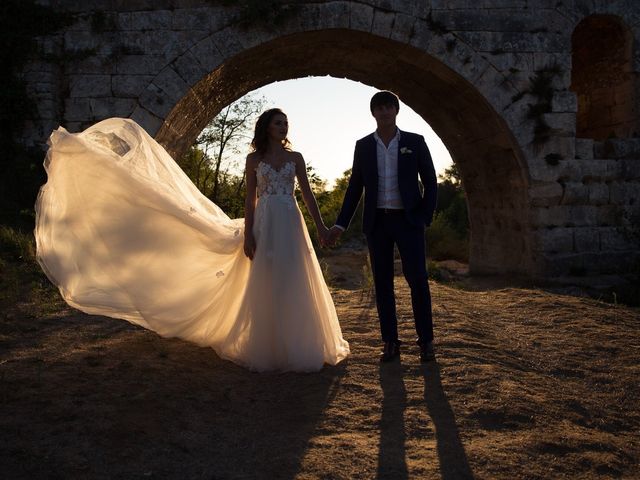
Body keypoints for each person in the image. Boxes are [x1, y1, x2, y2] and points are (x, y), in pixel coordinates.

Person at [35, 110, 349, 372]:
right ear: (266, 127)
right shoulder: (254, 160)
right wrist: (249, 235)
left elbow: (307, 196)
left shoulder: (296, 158)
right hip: (266, 222)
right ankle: (270, 346)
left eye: (286, 123)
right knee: (267, 280)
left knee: (294, 276)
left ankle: (299, 343)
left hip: (291, 221)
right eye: (278, 122)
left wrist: (321, 228)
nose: (284, 127)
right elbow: (249, 201)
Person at [327, 91, 437, 363]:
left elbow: (431, 181)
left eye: (389, 107)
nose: (385, 112)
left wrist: (424, 216)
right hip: (377, 223)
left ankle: (426, 342)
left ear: (396, 110)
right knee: (383, 284)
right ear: (373, 113)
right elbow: (355, 188)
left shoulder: (415, 141)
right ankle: (390, 342)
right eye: (379, 108)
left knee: (418, 281)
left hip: (408, 221)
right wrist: (341, 223)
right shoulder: (363, 146)